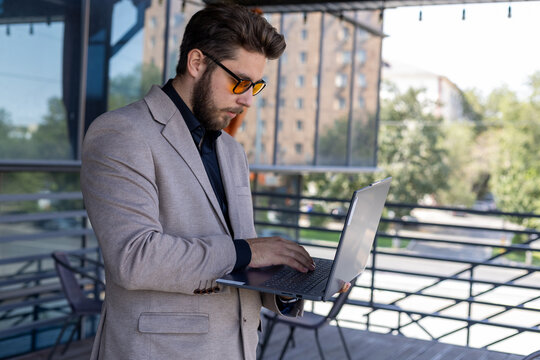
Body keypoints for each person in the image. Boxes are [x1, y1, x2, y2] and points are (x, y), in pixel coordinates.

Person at [80, 4, 323, 360]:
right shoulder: (122, 133)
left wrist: (287, 286)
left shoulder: (231, 150)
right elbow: (134, 257)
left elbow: (240, 265)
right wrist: (250, 250)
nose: (247, 99)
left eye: (256, 85)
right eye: (239, 81)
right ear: (197, 63)